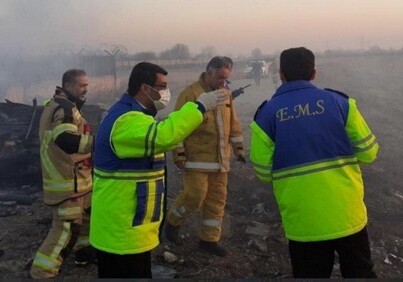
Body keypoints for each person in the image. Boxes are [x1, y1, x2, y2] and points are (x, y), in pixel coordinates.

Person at [89, 62, 229, 278]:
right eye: (162, 86)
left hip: (132, 231)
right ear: (145, 88)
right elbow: (164, 136)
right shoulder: (125, 119)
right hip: (121, 235)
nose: (166, 91)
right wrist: (199, 108)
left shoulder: (135, 114)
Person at [249, 47, 379, 278]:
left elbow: (263, 171)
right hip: (348, 214)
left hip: (303, 222)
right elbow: (369, 152)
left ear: (281, 74)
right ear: (314, 73)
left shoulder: (266, 114)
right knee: (360, 273)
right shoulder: (341, 103)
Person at [165, 56, 245, 257]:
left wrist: (239, 149)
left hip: (221, 161)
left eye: (226, 79)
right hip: (196, 160)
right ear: (208, 72)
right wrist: (179, 152)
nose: (223, 82)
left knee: (217, 201)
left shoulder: (225, 94)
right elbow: (178, 126)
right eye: (219, 78)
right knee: (195, 196)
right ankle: (172, 223)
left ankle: (209, 240)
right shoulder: (190, 94)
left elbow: (233, 123)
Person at [30, 69, 95, 278]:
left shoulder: (59, 105)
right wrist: (98, 143)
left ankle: (83, 253)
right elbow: (66, 141)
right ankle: (42, 272)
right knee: (65, 230)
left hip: (77, 180)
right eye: (81, 85)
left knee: (86, 219)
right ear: (67, 86)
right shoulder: (64, 108)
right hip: (67, 181)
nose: (86, 89)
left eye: (86, 84)